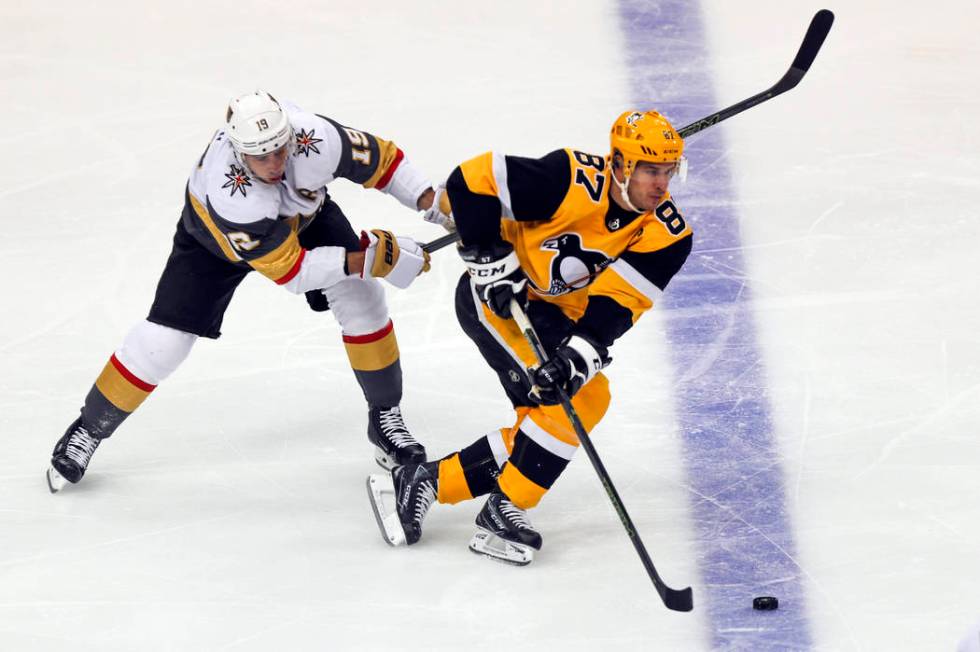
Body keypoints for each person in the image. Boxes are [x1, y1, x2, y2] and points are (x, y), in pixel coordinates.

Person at [46, 90, 454, 493]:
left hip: (304, 217)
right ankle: (89, 428)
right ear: (240, 154)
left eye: (280, 150)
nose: (275, 163)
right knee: (164, 342)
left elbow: (383, 163)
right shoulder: (233, 197)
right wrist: (367, 256)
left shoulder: (314, 137)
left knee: (362, 296)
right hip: (214, 244)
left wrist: (436, 204)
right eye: (262, 157)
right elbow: (292, 270)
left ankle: (385, 417)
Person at [367, 110, 693, 565]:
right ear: (620, 165)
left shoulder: (669, 234)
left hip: (556, 317)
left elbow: (620, 302)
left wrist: (582, 352)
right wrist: (488, 256)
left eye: (667, 171)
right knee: (582, 400)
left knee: (549, 418)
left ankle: (426, 482)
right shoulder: (570, 178)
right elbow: (470, 181)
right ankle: (504, 508)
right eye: (650, 170)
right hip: (500, 303)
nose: (661, 184)